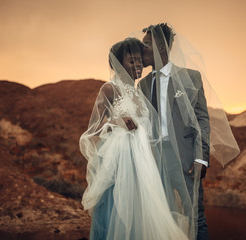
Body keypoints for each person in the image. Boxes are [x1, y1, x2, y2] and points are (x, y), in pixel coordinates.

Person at [80, 38, 190, 240]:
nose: (138, 65)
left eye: (139, 60)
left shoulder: (140, 93)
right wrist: (115, 122)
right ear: (119, 64)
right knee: (119, 209)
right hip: (120, 160)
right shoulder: (109, 89)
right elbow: (91, 130)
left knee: (144, 210)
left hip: (144, 161)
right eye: (132, 61)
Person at [138, 23, 240, 240]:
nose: (141, 49)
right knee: (161, 216)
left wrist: (201, 158)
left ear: (162, 48)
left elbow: (202, 119)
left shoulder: (191, 78)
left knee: (194, 216)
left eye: (146, 44)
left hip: (185, 159)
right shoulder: (143, 85)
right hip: (154, 161)